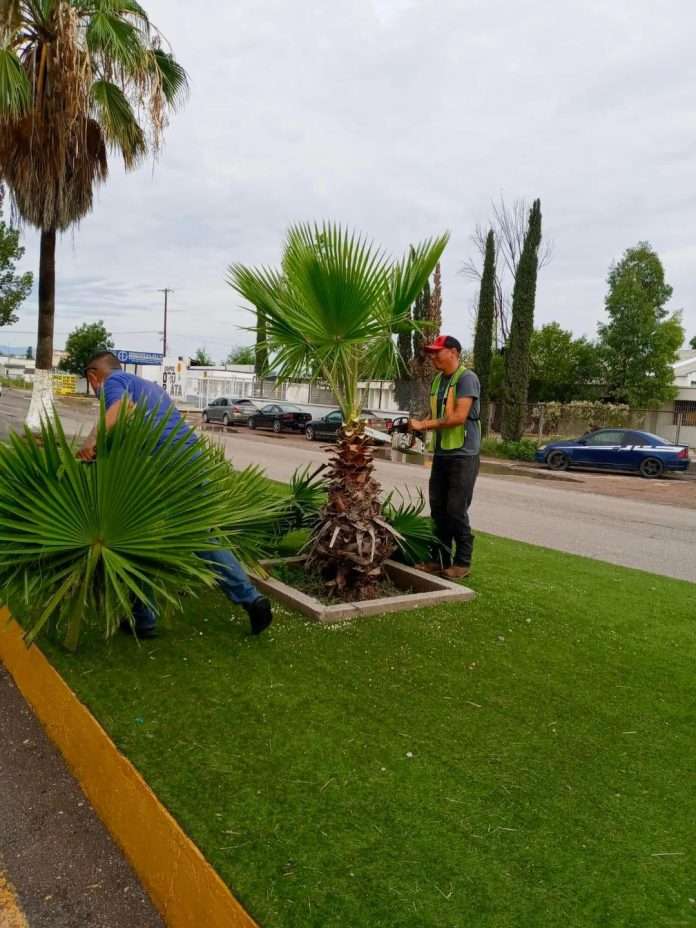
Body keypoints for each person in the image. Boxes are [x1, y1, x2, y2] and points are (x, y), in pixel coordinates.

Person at [78, 351, 273, 638]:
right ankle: (252, 600)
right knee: (201, 536)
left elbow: (121, 409)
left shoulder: (113, 382)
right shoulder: (147, 386)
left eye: (92, 383)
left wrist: (90, 441)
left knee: (136, 535)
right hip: (189, 465)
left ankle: (144, 620)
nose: (95, 390)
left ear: (93, 376)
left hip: (167, 468)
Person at [408, 335, 481, 579]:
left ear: (453, 352)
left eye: (437, 352)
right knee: (438, 508)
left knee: (455, 509)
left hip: (463, 455)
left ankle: (462, 562)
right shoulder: (439, 380)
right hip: (442, 453)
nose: (433, 357)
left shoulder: (467, 378)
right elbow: (435, 412)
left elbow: (459, 417)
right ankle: (438, 560)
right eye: (431, 352)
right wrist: (415, 429)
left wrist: (423, 425)